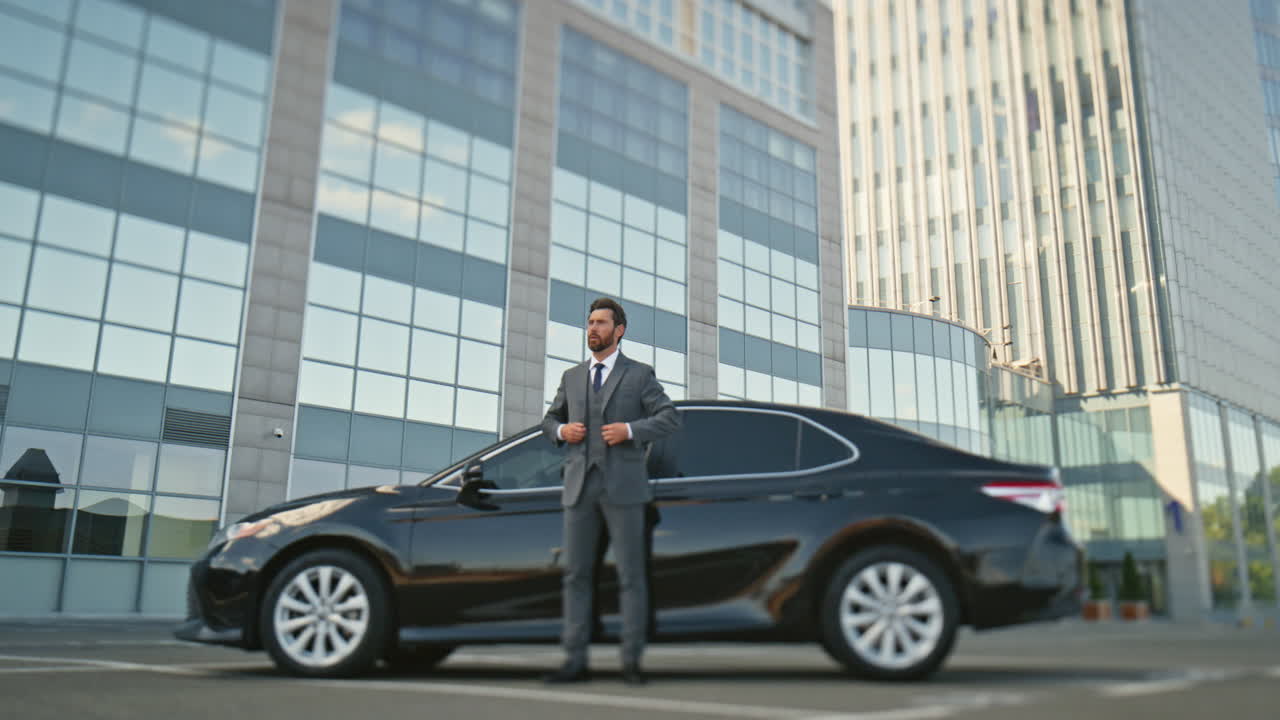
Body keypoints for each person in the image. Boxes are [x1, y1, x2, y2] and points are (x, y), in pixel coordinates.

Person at [541, 297, 680, 686]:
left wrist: (630, 431)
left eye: (601, 322)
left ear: (619, 330)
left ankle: (631, 661)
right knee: (576, 576)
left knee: (631, 577)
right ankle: (574, 661)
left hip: (624, 486)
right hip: (580, 486)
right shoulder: (571, 377)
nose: (593, 329)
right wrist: (561, 432)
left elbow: (669, 418)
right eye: (589, 322)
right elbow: (550, 420)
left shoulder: (639, 375)